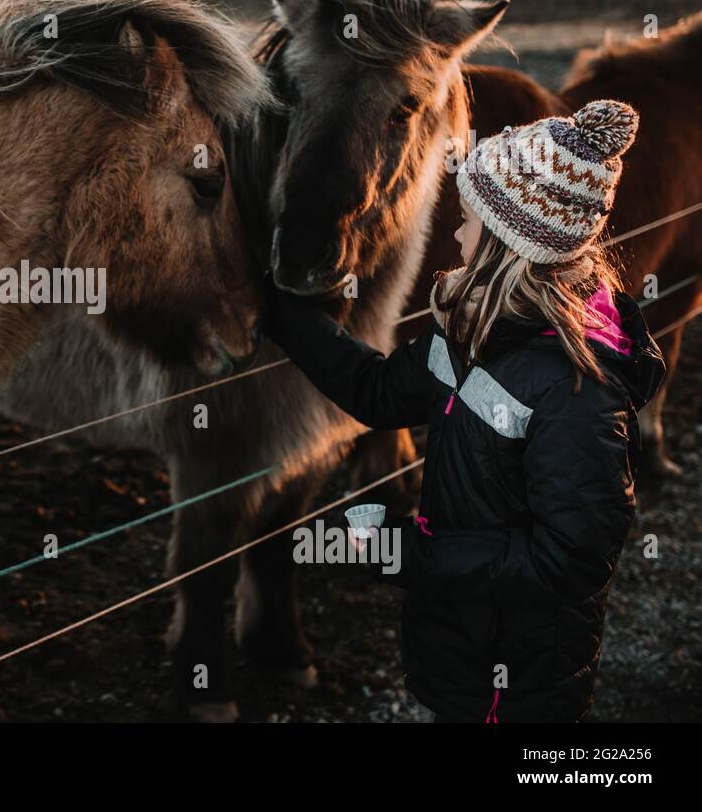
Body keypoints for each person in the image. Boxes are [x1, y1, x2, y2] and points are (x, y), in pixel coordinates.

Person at [259, 100, 666, 722]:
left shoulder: (578, 393)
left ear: (507, 245)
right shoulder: (468, 336)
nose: (456, 234)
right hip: (456, 646)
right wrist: (282, 313)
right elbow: (374, 389)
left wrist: (406, 554)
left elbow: (569, 562)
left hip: (519, 680)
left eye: (470, 221)